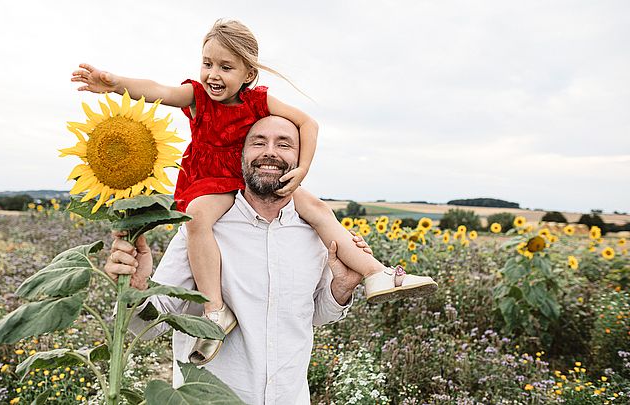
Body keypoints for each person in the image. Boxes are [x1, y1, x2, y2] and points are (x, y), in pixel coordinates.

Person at [75, 19, 437, 365]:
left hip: (244, 182)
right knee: (197, 220)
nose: (213, 74)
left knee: (320, 209)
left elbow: (308, 123)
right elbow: (159, 91)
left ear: (248, 74)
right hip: (212, 182)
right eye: (207, 64)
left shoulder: (258, 102)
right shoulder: (198, 97)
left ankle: (378, 274)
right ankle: (215, 310)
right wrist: (115, 82)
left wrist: (302, 170)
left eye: (226, 67)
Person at [105, 116, 437, 404]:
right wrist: (137, 291)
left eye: (284, 144)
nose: (270, 152)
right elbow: (149, 326)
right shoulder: (202, 229)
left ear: (299, 159)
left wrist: (341, 289)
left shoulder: (315, 232)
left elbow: (310, 315)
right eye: (259, 142)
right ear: (241, 155)